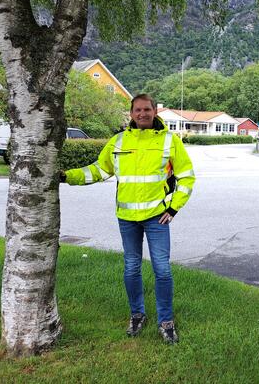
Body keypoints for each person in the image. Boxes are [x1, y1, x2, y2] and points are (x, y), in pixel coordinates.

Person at [61, 93, 195, 344]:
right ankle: (137, 315)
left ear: (155, 111)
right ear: (131, 113)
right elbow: (99, 170)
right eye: (137, 110)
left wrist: (173, 208)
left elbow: (187, 177)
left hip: (157, 218)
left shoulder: (170, 141)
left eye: (147, 109)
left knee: (163, 270)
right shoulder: (119, 141)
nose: (142, 114)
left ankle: (166, 321)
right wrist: (67, 176)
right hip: (127, 218)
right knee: (131, 268)